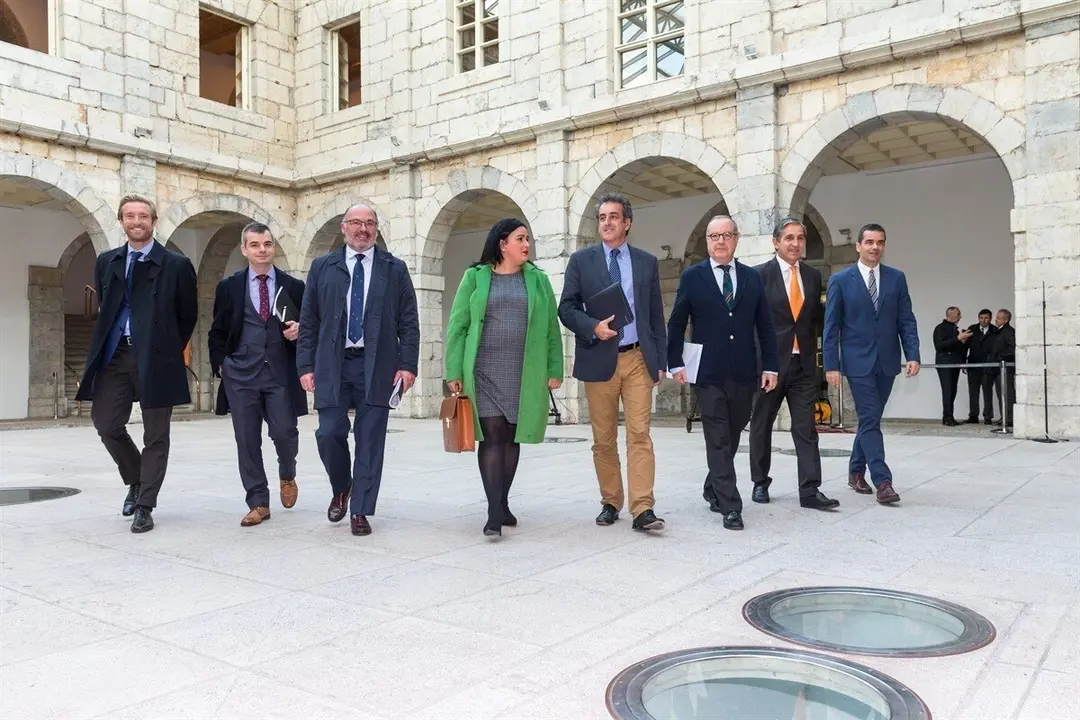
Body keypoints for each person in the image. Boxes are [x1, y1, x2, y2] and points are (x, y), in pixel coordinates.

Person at [76, 194, 198, 533]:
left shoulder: (176, 264)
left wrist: (167, 347)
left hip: (156, 356)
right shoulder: (107, 260)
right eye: (129, 216)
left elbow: (188, 314)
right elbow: (107, 303)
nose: (137, 222)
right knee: (106, 424)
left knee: (156, 434)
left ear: (154, 222)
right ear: (121, 221)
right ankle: (135, 478)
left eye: (143, 216)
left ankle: (145, 504)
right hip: (115, 354)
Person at [296, 203, 419, 537]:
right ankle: (342, 486)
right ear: (343, 227)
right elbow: (309, 321)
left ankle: (360, 510)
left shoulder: (394, 269)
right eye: (356, 223)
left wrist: (407, 365)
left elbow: (409, 320)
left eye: (369, 223)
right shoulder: (322, 267)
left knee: (370, 439)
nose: (363, 229)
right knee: (329, 433)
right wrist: (305, 365)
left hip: (378, 365)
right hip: (333, 364)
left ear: (376, 228)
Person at [445, 219, 564, 536]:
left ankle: (502, 500)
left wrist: (555, 369)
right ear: (502, 243)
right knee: (492, 434)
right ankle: (493, 511)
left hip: (523, 371)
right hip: (483, 369)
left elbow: (551, 329)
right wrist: (453, 370)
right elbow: (457, 326)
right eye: (520, 239)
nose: (527, 245)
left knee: (512, 435)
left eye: (528, 239)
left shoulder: (538, 280)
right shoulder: (475, 276)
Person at [558, 192, 667, 532]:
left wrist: (660, 360)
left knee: (640, 434)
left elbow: (655, 315)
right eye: (602, 217)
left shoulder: (647, 262)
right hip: (599, 358)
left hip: (637, 358)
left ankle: (643, 508)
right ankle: (611, 501)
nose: (607, 222)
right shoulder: (581, 261)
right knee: (603, 438)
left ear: (627, 222)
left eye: (614, 216)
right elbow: (566, 308)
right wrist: (593, 327)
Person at [669, 215, 779, 531]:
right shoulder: (692, 277)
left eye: (726, 235)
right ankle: (731, 505)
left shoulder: (751, 278)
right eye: (714, 236)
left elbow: (765, 325)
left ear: (736, 239)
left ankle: (712, 486)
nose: (720, 241)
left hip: (745, 371)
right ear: (707, 241)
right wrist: (674, 361)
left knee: (732, 433)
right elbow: (677, 321)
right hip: (708, 372)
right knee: (717, 437)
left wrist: (771, 365)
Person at [208, 222, 307, 527]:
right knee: (247, 440)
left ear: (273, 247)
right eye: (255, 245)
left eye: (266, 244)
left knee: (285, 433)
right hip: (241, 374)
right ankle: (258, 502)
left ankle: (287, 473)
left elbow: (310, 327)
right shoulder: (229, 287)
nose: (262, 250)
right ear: (244, 249)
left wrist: (300, 331)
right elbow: (217, 331)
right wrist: (223, 365)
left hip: (280, 373)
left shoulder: (294, 287)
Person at [823, 222, 920, 505]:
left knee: (870, 419)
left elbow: (906, 319)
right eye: (869, 242)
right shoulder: (841, 280)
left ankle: (855, 472)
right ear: (858, 245)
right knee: (869, 417)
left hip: (887, 361)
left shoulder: (896, 278)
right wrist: (831, 364)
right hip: (857, 362)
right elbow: (831, 326)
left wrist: (912, 354)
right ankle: (883, 481)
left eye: (880, 242)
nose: (875, 247)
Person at [748, 218, 838, 511]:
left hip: (803, 366)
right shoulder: (758, 275)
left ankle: (810, 491)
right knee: (762, 425)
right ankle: (760, 482)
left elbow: (813, 321)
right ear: (776, 242)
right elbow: (751, 324)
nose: (795, 243)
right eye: (789, 238)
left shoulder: (812, 276)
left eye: (800, 238)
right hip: (770, 368)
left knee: (806, 428)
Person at [933, 306, 971, 426]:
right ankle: (947, 417)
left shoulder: (956, 329)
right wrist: (958, 338)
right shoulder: (940, 328)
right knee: (948, 390)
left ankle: (949, 416)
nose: (960, 316)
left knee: (953, 390)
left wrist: (963, 342)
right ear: (951, 315)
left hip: (955, 362)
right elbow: (939, 345)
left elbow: (958, 347)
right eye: (958, 314)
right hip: (945, 363)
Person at [965, 308, 997, 425]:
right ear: (978, 318)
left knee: (987, 392)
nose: (983, 320)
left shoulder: (995, 330)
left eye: (986, 318)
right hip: (973, 365)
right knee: (973, 392)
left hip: (988, 366)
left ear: (990, 319)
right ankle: (973, 416)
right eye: (981, 318)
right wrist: (964, 362)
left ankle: (988, 416)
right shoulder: (972, 329)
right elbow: (965, 346)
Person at [990, 308, 1016, 429]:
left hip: (1005, 368)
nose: (996, 320)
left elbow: (1012, 349)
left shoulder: (1009, 332)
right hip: (998, 367)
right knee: (1001, 393)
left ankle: (1009, 418)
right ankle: (1004, 417)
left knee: (1007, 393)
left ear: (1006, 320)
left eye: (999, 318)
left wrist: (999, 357)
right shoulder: (998, 331)